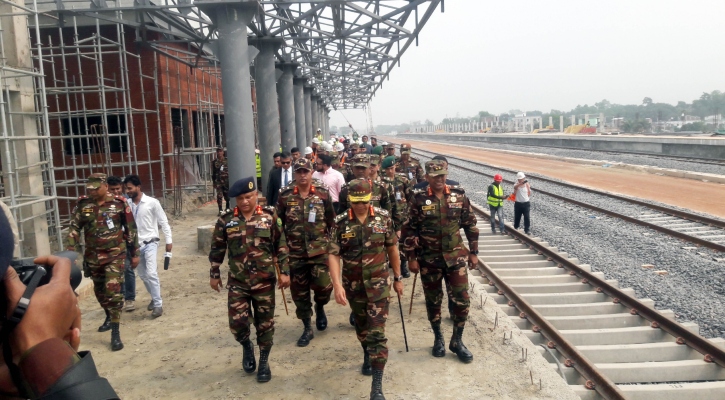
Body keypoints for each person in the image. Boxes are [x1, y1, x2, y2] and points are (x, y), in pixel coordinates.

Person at [208, 177, 290, 383]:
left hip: (264, 281)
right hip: (238, 281)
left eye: (248, 197)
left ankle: (264, 360)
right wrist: (214, 273)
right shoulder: (226, 220)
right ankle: (246, 345)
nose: (244, 201)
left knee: (265, 324)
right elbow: (217, 248)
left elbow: (281, 245)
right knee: (237, 322)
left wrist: (285, 272)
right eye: (240, 198)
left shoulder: (269, 217)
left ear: (256, 196)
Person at [329, 179, 403, 400]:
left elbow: (392, 248)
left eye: (364, 201)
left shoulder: (383, 218)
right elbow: (333, 253)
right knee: (362, 330)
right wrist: (337, 284)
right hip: (354, 286)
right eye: (355, 201)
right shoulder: (340, 223)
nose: (360, 205)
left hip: (379, 285)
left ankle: (377, 386)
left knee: (377, 333)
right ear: (349, 199)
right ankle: (366, 353)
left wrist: (398, 277)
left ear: (370, 197)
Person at [402, 160, 479, 363]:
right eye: (435, 176)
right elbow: (408, 229)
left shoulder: (458, 195)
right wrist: (411, 258)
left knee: (462, 300)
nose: (440, 179)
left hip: (456, 259)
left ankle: (457, 340)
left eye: (443, 175)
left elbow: (470, 224)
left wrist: (474, 252)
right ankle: (438, 338)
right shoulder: (418, 199)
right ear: (427, 177)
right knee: (433, 301)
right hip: (429, 260)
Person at [66, 173, 139, 351]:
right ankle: (108, 315)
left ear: (105, 186)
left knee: (113, 291)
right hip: (93, 257)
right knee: (100, 291)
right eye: (89, 189)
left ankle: (115, 332)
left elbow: (130, 229)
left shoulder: (119, 204)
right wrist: (70, 252)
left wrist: (134, 252)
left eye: (96, 188)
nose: (92, 192)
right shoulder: (84, 205)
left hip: (115, 254)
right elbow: (74, 227)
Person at [276, 158, 335, 347]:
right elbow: (279, 226)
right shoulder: (285, 196)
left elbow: (331, 221)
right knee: (299, 294)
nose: (302, 175)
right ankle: (307, 327)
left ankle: (320, 306)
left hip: (319, 252)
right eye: (299, 172)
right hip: (295, 253)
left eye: (306, 171)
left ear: (311, 173)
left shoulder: (322, 194)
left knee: (324, 287)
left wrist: (332, 247)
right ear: (295, 174)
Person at [124, 175, 172, 318]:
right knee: (143, 275)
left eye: (130, 188)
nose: (127, 191)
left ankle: (158, 305)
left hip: (151, 242)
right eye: (126, 188)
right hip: (135, 246)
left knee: (151, 273)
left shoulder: (152, 203)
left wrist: (169, 241)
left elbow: (163, 222)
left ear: (138, 187)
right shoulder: (126, 204)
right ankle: (154, 297)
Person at [107, 176, 137, 312]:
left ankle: (129, 298)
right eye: (112, 189)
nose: (115, 192)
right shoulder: (103, 204)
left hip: (125, 241)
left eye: (118, 189)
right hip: (109, 243)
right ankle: (119, 298)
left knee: (127, 269)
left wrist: (134, 248)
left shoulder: (126, 202)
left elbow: (131, 225)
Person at [381, 156, 411, 278]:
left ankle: (403, 264)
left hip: (402, 216)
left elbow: (410, 198)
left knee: (403, 241)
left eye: (392, 168)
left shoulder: (402, 180)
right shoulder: (381, 183)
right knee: (388, 241)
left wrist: (408, 214)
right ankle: (390, 262)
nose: (390, 171)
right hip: (387, 217)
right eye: (388, 169)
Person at [211, 147, 230, 215]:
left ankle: (227, 208)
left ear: (223, 152)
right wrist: (214, 182)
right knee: (219, 196)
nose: (219, 153)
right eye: (218, 151)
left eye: (220, 151)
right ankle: (220, 209)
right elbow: (213, 173)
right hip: (218, 181)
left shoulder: (227, 161)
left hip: (226, 181)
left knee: (227, 195)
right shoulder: (214, 162)